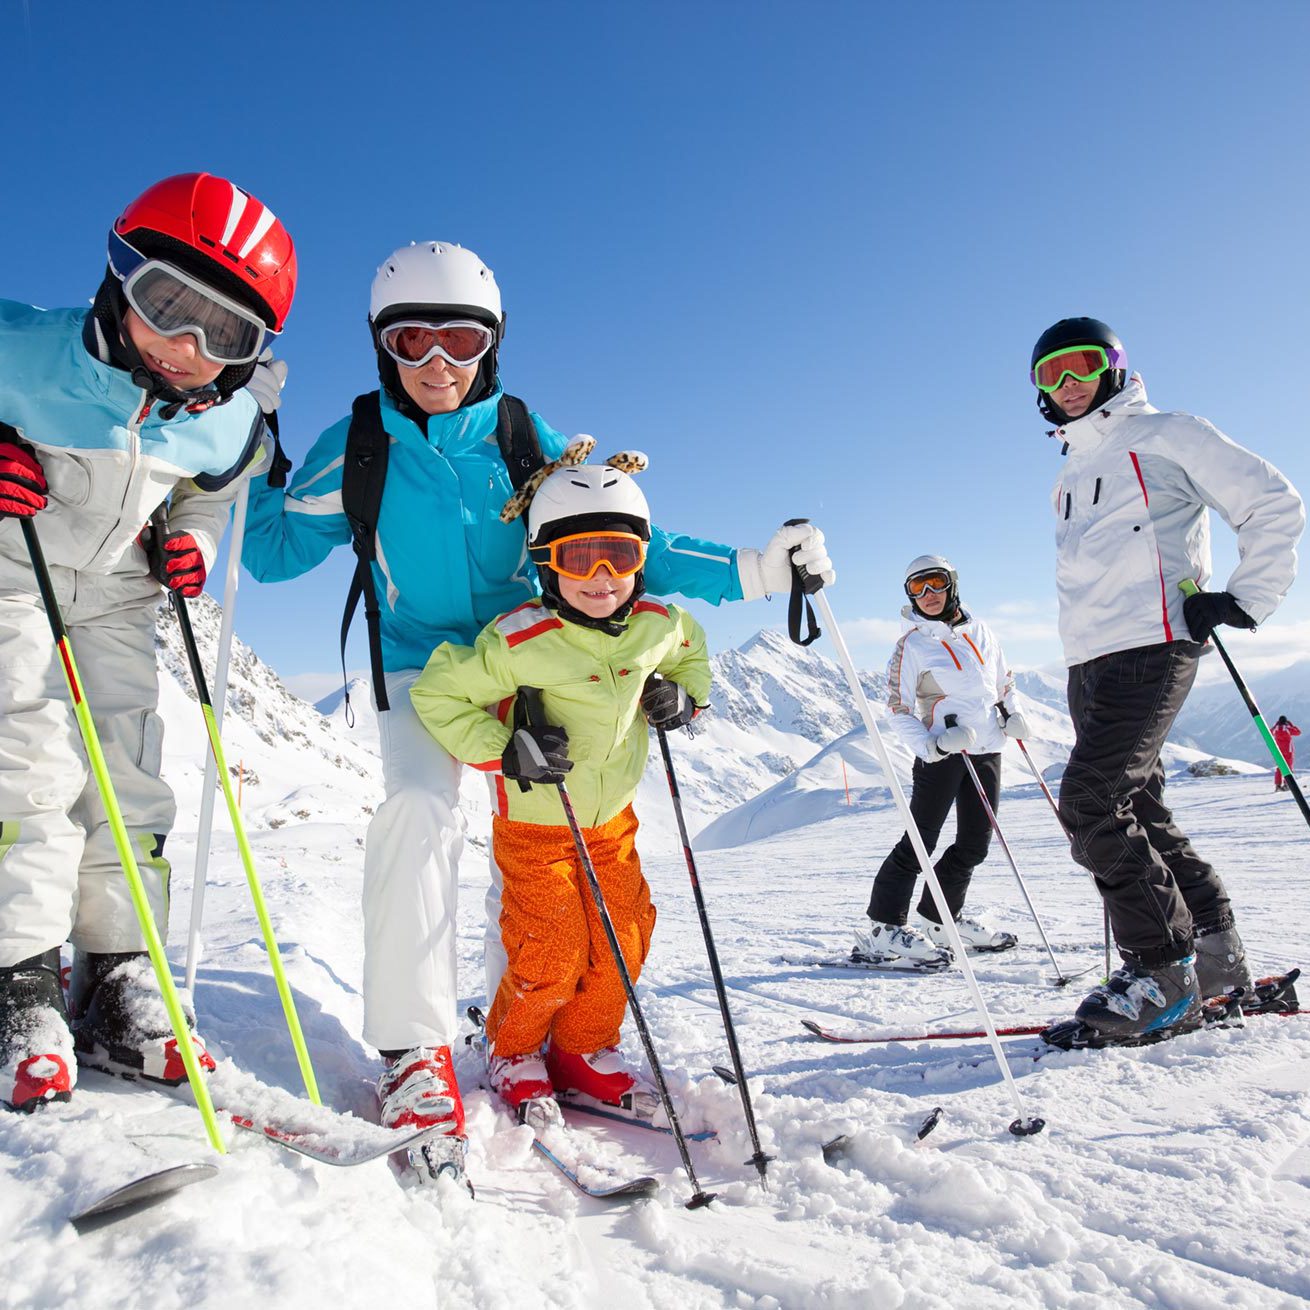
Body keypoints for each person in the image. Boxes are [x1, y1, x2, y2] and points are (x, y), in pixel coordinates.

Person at [241, 239, 834, 1143]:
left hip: (535, 657)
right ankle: (414, 1051)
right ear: (381, 346)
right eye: (411, 341)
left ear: (494, 342)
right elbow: (273, 554)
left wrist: (756, 570)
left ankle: (519, 1033)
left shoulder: (523, 440)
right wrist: (250, 440)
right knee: (418, 810)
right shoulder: (360, 445)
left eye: (462, 341)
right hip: (421, 668)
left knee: (539, 852)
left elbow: (613, 536)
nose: (438, 364)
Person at [0, 173, 296, 1111]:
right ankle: (19, 980)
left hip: (119, 592)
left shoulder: (225, 417)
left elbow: (218, 485)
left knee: (128, 770)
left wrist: (194, 539)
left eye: (226, 335)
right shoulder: (20, 351)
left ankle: (122, 972)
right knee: (27, 760)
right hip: (13, 565)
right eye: (168, 303)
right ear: (120, 275)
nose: (187, 347)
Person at [410, 450, 710, 1119]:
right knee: (552, 946)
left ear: (641, 558)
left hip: (613, 825)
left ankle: (581, 1048)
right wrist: (506, 750)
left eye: (619, 556)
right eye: (580, 559)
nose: (602, 578)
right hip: (535, 828)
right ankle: (512, 1049)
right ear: (547, 562)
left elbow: (692, 653)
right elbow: (437, 694)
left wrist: (683, 698)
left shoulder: (658, 625)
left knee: (624, 937)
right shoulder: (520, 639)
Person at [1030, 316, 1303, 1045]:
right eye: (1052, 373)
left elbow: (1272, 501)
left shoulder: (1167, 434)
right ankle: (1215, 957)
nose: (1069, 383)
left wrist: (1244, 597)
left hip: (1153, 645)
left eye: (1083, 364)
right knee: (1137, 807)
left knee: (1090, 800)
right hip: (1089, 659)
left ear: (1114, 368)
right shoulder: (1068, 470)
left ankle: (1163, 971)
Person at [852, 555, 1025, 970]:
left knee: (974, 844)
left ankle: (939, 920)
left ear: (952, 585)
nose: (928, 594)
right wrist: (934, 746)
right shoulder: (912, 645)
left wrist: (1012, 713)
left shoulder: (982, 630)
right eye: (918, 588)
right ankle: (884, 928)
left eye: (935, 583)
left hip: (987, 749)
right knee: (920, 842)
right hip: (943, 755)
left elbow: (1004, 682)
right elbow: (897, 708)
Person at [1272, 716, 1300, 791]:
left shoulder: (1275, 729)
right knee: (1288, 767)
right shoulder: (1287, 728)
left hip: (1278, 751)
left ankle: (1278, 785)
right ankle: (1287, 784)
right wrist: (1292, 725)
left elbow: (1269, 732)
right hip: (1288, 751)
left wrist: (1276, 725)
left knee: (1279, 768)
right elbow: (1298, 732)